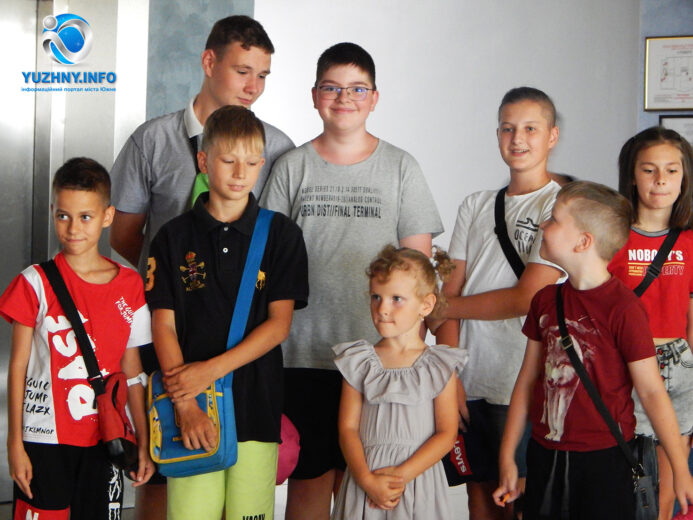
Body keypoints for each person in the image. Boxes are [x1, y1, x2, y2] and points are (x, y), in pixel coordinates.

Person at [260, 42, 444, 519]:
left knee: (364, 486)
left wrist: (414, 354)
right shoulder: (292, 167)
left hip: (378, 358)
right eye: (332, 88)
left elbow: (420, 271)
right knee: (309, 482)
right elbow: (265, 261)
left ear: (375, 98)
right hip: (301, 352)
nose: (344, 98)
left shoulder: (401, 167)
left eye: (358, 89)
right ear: (314, 95)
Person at [493, 181, 693, 518]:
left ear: (583, 241)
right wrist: (508, 456)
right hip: (545, 456)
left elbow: (651, 392)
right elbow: (527, 381)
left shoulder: (624, 308)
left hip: (605, 462)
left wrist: (680, 468)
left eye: (554, 219)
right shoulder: (545, 300)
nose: (543, 225)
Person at [146, 105, 308, 520]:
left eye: (252, 163)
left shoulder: (282, 235)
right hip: (190, 408)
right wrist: (185, 404)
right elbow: (163, 325)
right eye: (228, 161)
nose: (240, 174)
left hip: (257, 407)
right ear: (203, 161)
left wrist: (208, 371)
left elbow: (279, 326)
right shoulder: (172, 237)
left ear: (262, 165)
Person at [433, 86, 563, 519]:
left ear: (552, 136)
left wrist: (444, 308)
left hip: (524, 381)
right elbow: (449, 290)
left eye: (530, 128)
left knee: (520, 499)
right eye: (508, 128)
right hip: (471, 376)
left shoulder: (562, 206)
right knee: (479, 498)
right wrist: (449, 373)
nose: (517, 138)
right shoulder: (476, 205)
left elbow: (527, 298)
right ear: (497, 135)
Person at [0, 158, 154, 519]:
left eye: (85, 216)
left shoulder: (130, 285)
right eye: (63, 216)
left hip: (107, 436)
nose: (73, 228)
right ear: (53, 212)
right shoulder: (33, 282)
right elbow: (18, 367)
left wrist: (143, 441)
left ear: (107, 216)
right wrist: (14, 444)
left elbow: (133, 372)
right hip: (43, 437)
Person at [110, 15, 294, 275]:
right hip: (165, 297)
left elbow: (281, 242)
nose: (253, 88)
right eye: (242, 72)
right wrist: (172, 278)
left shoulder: (278, 148)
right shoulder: (151, 140)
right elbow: (122, 236)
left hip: (245, 298)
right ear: (209, 62)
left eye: (262, 75)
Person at [331, 246, 465, 520]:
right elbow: (347, 428)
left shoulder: (438, 365)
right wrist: (367, 480)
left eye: (396, 299)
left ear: (426, 305)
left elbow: (446, 433)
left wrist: (400, 476)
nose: (382, 309)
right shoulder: (358, 361)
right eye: (376, 297)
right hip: (365, 480)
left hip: (417, 481)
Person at [608, 127, 693, 519]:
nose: (661, 180)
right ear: (632, 175)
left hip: (680, 366)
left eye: (671, 170)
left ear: (684, 177)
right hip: (630, 366)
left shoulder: (689, 241)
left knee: (672, 485)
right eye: (649, 170)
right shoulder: (613, 238)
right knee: (632, 484)